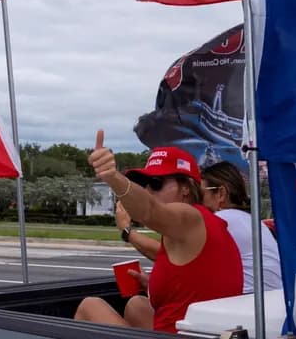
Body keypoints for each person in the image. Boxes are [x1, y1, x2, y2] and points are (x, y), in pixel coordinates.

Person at [75, 136, 243, 333]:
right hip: (201, 332)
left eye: (156, 183)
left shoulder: (189, 218)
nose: (147, 190)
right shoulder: (199, 225)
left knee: (89, 306)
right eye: (144, 183)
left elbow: (148, 209)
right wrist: (151, 284)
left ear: (186, 188)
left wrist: (112, 176)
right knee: (136, 305)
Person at [117, 160, 282, 294]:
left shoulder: (223, 220)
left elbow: (161, 251)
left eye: (201, 193)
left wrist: (127, 231)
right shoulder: (248, 221)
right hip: (260, 306)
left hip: (245, 311)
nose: (197, 199)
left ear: (220, 194)